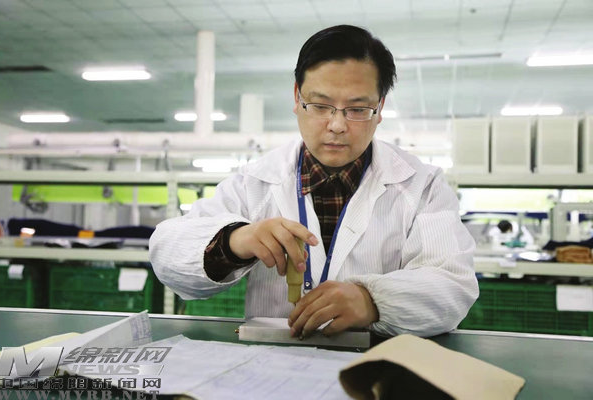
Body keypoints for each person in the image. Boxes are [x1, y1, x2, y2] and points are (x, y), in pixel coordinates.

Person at [150, 25, 478, 338]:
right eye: (320, 106)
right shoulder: (254, 183)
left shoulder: (422, 185)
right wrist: (236, 240)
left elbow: (453, 285)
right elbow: (167, 254)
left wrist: (372, 301)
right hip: (271, 362)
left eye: (357, 109)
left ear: (379, 108)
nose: (337, 125)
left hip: (374, 366)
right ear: (297, 97)